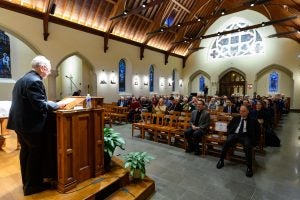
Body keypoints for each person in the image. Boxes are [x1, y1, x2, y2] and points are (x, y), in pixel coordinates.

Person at [7, 55, 65, 196]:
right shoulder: (35, 81)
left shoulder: (21, 80)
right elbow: (39, 105)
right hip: (31, 126)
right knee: (35, 154)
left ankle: (26, 182)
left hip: (20, 124)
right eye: (48, 70)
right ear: (43, 68)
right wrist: (57, 104)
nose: (49, 73)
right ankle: (33, 186)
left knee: (26, 152)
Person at [216, 105, 259, 177]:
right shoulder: (236, 118)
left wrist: (255, 141)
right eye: (240, 111)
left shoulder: (253, 120)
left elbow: (257, 131)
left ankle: (249, 167)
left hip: (245, 136)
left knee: (248, 146)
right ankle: (221, 160)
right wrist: (230, 134)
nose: (241, 112)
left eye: (243, 111)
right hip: (235, 134)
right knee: (227, 142)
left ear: (248, 112)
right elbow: (229, 126)